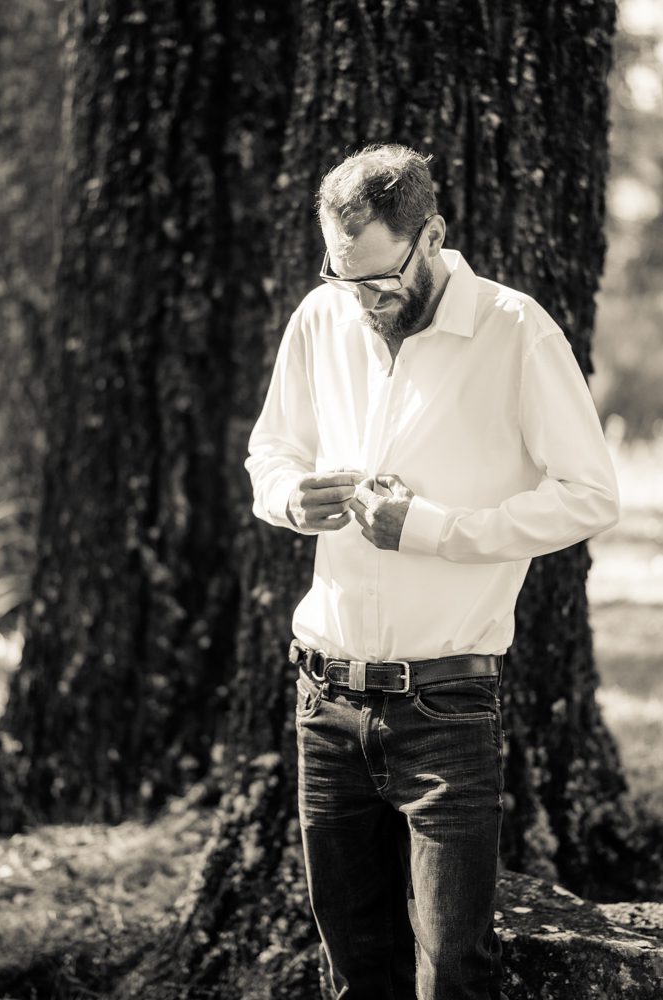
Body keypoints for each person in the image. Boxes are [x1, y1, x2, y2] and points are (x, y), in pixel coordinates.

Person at [245, 143, 619, 1000]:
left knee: (453, 971)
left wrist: (433, 529)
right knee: (355, 971)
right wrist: (288, 499)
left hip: (446, 703)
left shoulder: (513, 328)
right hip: (323, 703)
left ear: (432, 234)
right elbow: (272, 450)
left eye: (381, 278)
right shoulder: (320, 317)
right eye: (344, 278)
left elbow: (590, 495)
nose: (365, 300)